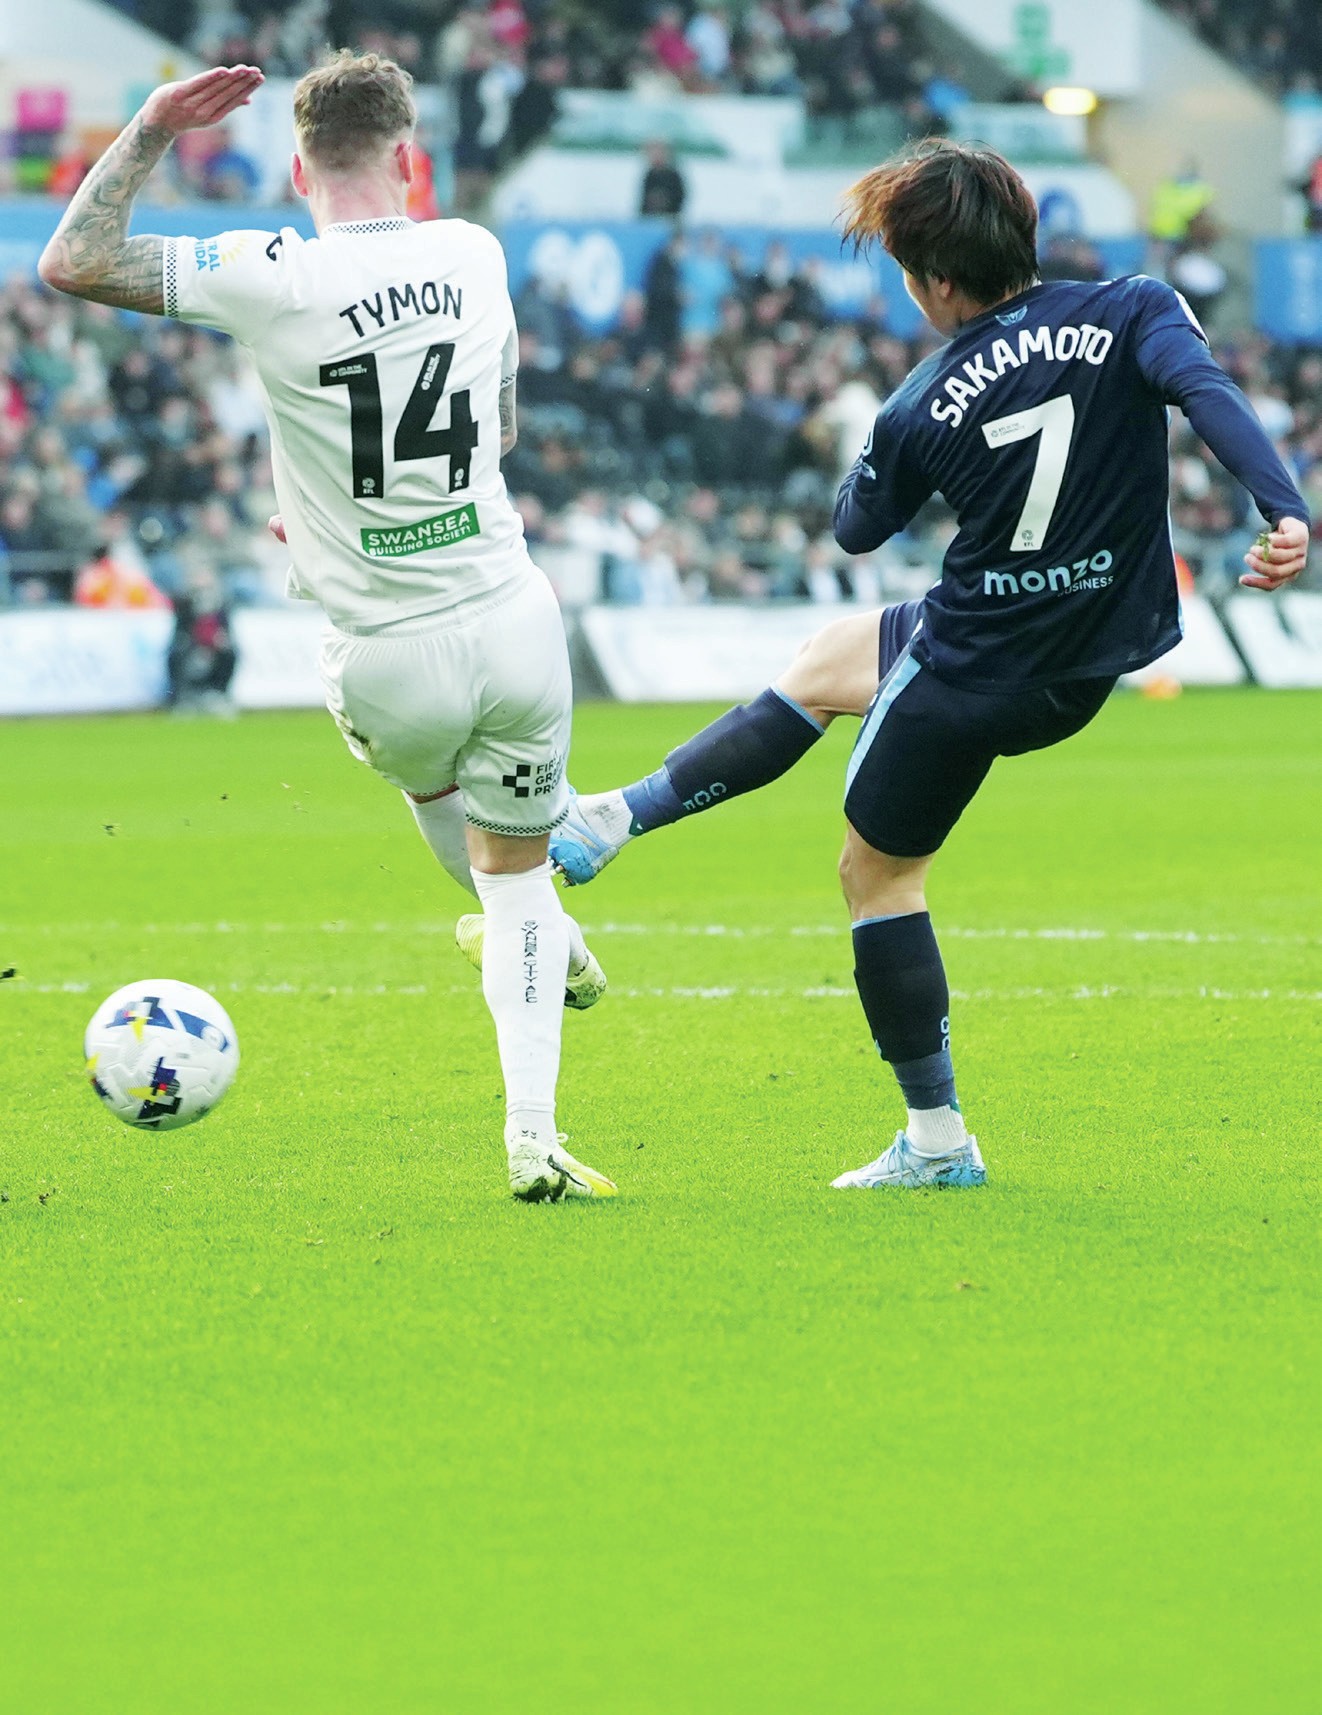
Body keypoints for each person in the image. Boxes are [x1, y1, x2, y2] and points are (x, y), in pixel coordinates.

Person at [550, 139, 1310, 1192]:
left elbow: (856, 527)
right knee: (824, 660)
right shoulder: (1136, 305)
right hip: (1087, 648)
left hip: (974, 668)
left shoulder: (923, 397)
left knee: (876, 874)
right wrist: (1284, 508)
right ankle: (613, 818)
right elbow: (1206, 390)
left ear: (937, 282)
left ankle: (937, 1139)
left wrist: (872, 439)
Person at [39, 54, 615, 1204]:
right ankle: (532, 1130)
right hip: (511, 617)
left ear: (297, 172)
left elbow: (74, 261)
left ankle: (543, 936)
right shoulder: (473, 252)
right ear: (409, 157)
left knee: (454, 817)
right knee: (514, 883)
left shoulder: (272, 272)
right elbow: (496, 429)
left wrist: (151, 124)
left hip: (385, 652)